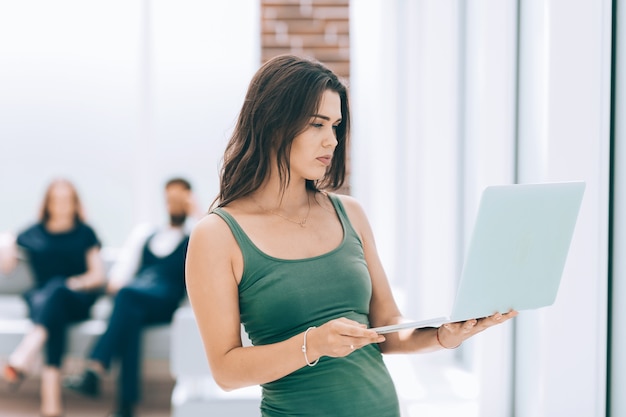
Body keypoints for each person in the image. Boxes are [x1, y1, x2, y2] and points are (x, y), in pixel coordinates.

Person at [184, 54, 518, 417]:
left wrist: (442, 336)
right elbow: (226, 371)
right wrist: (314, 343)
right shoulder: (217, 235)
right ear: (273, 123)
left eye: (336, 126)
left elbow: (387, 326)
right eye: (317, 124)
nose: (332, 141)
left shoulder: (349, 213)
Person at [64, 177, 200, 417]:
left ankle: (95, 367)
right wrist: (116, 285)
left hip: (165, 302)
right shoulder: (146, 235)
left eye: (180, 198)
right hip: (137, 298)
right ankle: (124, 407)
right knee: (130, 317)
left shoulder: (196, 236)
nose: (174, 204)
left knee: (128, 298)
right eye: (170, 198)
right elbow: (120, 276)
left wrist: (196, 211)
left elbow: (213, 248)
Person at [0, 178, 105, 417]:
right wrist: (6, 241)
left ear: (75, 203)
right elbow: (8, 246)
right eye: (56, 200)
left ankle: (27, 357)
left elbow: (97, 275)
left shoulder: (85, 233)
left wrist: (74, 283)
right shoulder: (33, 232)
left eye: (67, 200)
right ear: (47, 203)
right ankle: (51, 405)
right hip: (43, 303)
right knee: (52, 309)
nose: (61, 205)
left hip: (76, 298)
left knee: (57, 290)